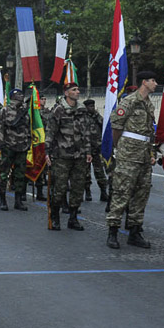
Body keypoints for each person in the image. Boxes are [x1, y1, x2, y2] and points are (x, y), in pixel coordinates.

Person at [106, 71, 158, 249]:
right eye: (153, 80)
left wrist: (151, 153)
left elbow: (149, 132)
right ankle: (113, 231)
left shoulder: (148, 104)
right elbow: (116, 126)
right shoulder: (129, 101)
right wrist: (119, 147)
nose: (155, 84)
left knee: (141, 194)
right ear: (144, 82)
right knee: (121, 192)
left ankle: (135, 232)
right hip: (128, 155)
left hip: (144, 155)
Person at [46, 82, 92, 231]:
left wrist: (88, 151)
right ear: (66, 93)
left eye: (78, 89)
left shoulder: (82, 110)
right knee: (59, 188)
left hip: (79, 155)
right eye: (74, 90)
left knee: (78, 188)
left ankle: (73, 218)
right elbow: (50, 132)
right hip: (62, 156)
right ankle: (55, 217)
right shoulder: (58, 110)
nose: (78, 92)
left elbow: (86, 132)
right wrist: (47, 152)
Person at [0, 88, 30, 212]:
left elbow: (28, 128)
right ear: (12, 97)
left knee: (20, 175)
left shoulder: (25, 111)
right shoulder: (5, 110)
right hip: (8, 146)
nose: (21, 96)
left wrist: (28, 142)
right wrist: (0, 143)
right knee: (4, 173)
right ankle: (2, 199)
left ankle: (18, 200)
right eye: (18, 94)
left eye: (22, 94)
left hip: (22, 147)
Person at [82, 99, 110, 203]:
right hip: (86, 150)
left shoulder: (98, 117)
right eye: (90, 106)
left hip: (97, 149)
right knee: (86, 173)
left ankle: (103, 192)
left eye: (93, 106)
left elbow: (104, 127)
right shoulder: (83, 118)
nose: (92, 108)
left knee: (100, 172)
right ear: (86, 107)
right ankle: (87, 191)